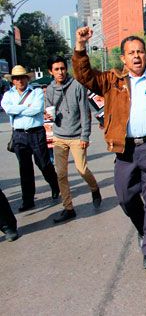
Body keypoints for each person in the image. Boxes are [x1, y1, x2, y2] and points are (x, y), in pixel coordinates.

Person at [72, 27, 146, 269]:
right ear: (123, 58)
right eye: (131, 53)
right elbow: (84, 76)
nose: (136, 56)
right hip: (124, 149)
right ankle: (144, 228)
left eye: (140, 52)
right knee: (125, 196)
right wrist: (80, 47)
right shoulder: (111, 81)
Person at [45, 56, 102, 224]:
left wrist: (85, 136)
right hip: (59, 137)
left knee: (82, 169)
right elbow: (49, 112)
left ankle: (94, 188)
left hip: (77, 136)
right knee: (61, 174)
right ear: (51, 72)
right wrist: (48, 115)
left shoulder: (77, 86)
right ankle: (68, 208)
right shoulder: (49, 90)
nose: (60, 72)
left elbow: (86, 112)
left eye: (62, 68)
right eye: (56, 69)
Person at [1, 65, 60, 212]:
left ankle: (54, 185)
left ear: (27, 78)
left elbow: (37, 109)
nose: (19, 81)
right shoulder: (8, 95)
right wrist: (26, 108)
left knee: (44, 163)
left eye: (22, 77)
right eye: (16, 78)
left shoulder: (37, 92)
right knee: (25, 168)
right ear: (13, 81)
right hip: (19, 134)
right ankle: (28, 199)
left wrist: (18, 109)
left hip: (36, 132)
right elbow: (8, 109)